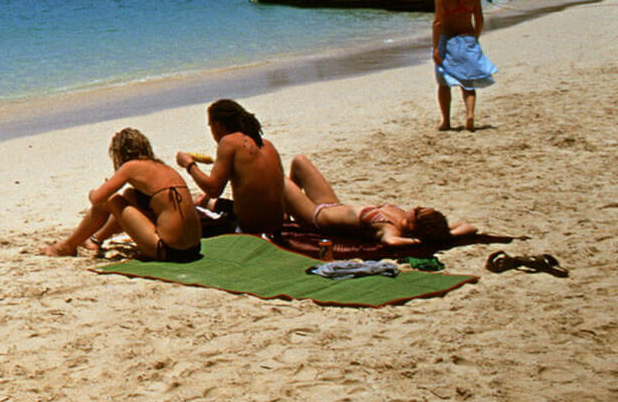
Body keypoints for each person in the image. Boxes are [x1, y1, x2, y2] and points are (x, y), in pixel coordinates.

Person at [43, 127, 202, 262]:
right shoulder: (162, 167)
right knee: (130, 195)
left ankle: (67, 246)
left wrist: (92, 192)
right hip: (194, 248)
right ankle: (96, 240)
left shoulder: (131, 166)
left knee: (110, 200)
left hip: (168, 250)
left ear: (119, 154)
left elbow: (98, 199)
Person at [284, 154, 478, 248]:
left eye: (418, 212)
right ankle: (286, 210)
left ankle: (286, 208)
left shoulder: (390, 228)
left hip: (314, 217)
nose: (417, 207)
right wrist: (447, 235)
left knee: (278, 178)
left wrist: (418, 241)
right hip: (331, 204)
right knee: (299, 161)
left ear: (413, 226)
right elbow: (469, 227)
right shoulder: (404, 218)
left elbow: (391, 242)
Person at [174, 98, 286, 237]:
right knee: (203, 201)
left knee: (187, 220)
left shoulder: (228, 142)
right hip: (276, 224)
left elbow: (214, 189)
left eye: (211, 126)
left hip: (251, 228)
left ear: (218, 125)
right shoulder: (266, 144)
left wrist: (189, 164)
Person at [432, 0, 495, 131]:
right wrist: (475, 38)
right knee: (468, 83)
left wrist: (436, 47)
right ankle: (470, 114)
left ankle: (446, 121)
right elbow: (479, 19)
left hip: (447, 40)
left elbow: (438, 22)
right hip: (467, 38)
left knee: (443, 84)